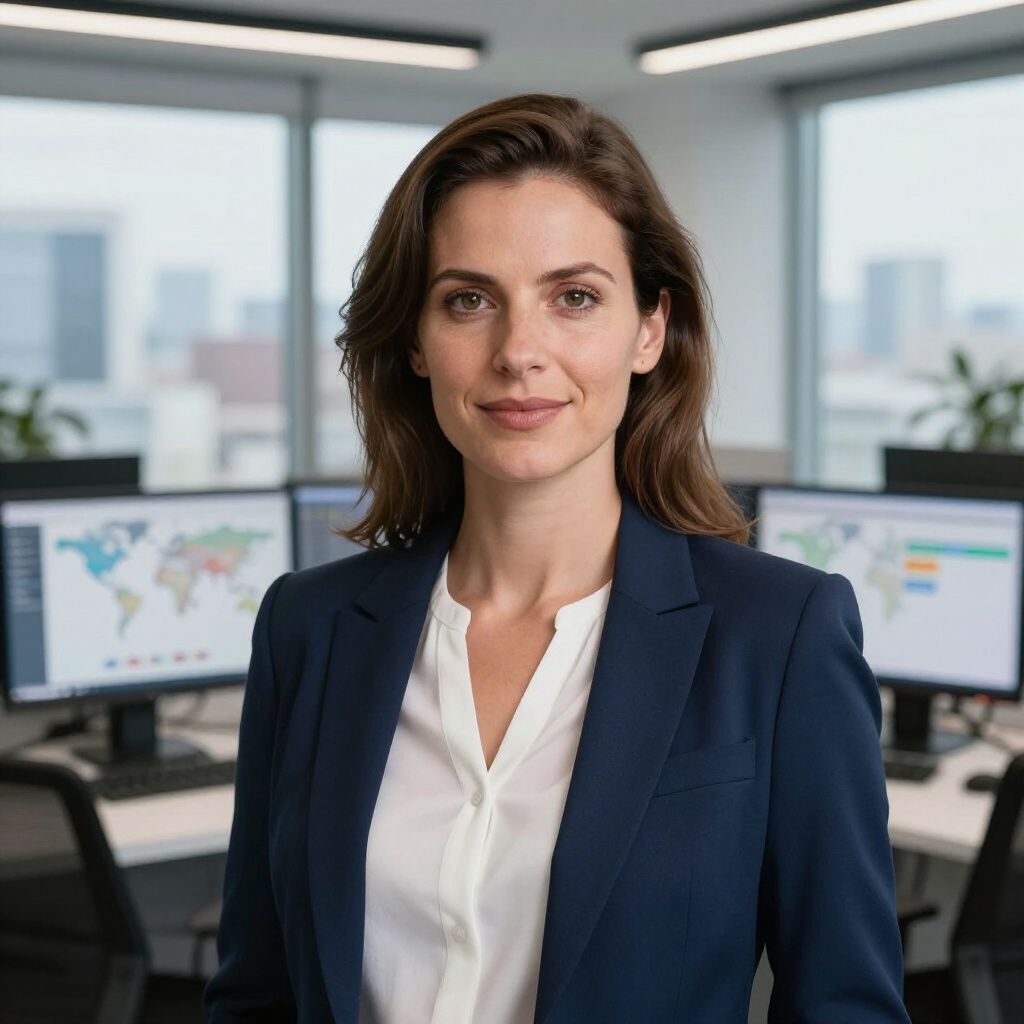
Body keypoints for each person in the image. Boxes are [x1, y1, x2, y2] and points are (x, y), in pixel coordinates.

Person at [204, 93, 909, 1024]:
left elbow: (845, 1008)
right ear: (416, 341)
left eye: (573, 297)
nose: (519, 352)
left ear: (650, 329)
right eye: (468, 300)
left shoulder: (779, 637)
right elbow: (256, 992)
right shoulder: (310, 628)